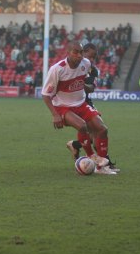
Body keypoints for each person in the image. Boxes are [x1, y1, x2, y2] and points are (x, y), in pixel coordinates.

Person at [42, 41, 117, 175]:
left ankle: (101, 167)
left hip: (81, 104)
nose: (79, 55)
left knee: (102, 129)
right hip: (62, 107)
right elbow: (46, 95)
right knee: (82, 126)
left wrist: (84, 84)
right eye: (75, 52)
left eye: (81, 52)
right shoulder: (57, 69)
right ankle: (91, 156)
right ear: (68, 53)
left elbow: (89, 85)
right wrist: (55, 115)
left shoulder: (86, 64)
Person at [65, 43, 119, 172]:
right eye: (91, 56)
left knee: (97, 132)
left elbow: (91, 88)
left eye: (95, 57)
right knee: (97, 132)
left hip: (87, 102)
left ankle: (75, 145)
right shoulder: (70, 67)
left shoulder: (92, 70)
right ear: (83, 52)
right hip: (74, 103)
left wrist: (80, 83)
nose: (92, 60)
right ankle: (103, 164)